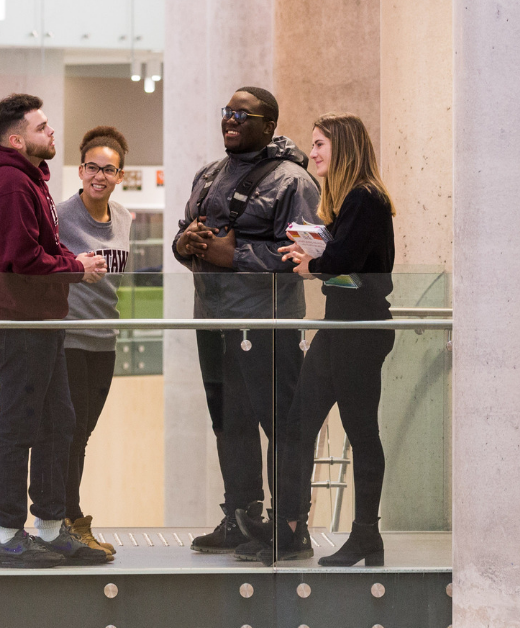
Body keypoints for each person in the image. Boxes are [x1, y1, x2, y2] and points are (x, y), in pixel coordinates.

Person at [237, 113, 397, 565]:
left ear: (344, 146)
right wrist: (313, 249)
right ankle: (289, 525)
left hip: (359, 332)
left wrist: (315, 263)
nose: (316, 152)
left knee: (361, 431)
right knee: (296, 425)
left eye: (322, 143)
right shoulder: (350, 201)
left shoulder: (366, 198)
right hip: (338, 328)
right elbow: (349, 261)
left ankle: (366, 535)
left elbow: (353, 268)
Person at [171, 87, 319, 557]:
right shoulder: (208, 173)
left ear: (269, 124)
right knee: (228, 423)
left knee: (281, 425)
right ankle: (241, 519)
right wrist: (185, 243)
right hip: (212, 320)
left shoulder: (295, 181)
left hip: (267, 324)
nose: (231, 121)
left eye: (243, 114)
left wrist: (231, 253)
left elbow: (310, 254)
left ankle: (291, 531)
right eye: (227, 113)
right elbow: (184, 234)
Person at [0, 93, 110, 568]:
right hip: (22, 325)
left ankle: (51, 529)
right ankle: (9, 536)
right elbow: (22, 259)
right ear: (17, 139)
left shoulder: (28, 180)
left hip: (42, 322)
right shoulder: (12, 182)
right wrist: (77, 267)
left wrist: (70, 268)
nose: (52, 132)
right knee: (20, 425)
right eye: (42, 127)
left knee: (58, 422)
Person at [55, 126, 132, 556]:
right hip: (68, 339)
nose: (99, 175)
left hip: (106, 339)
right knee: (70, 431)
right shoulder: (63, 216)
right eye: (91, 167)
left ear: (120, 175)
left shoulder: (123, 217)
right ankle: (67, 516)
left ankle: (67, 517)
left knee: (82, 434)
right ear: (81, 170)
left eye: (109, 169)